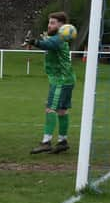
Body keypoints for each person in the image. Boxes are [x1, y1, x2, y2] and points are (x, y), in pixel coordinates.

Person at [25, 12, 76, 154]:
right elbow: (48, 43)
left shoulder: (59, 38)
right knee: (62, 111)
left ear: (62, 26)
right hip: (66, 79)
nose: (49, 25)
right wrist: (37, 42)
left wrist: (35, 42)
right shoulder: (57, 38)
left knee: (50, 109)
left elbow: (49, 44)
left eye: (53, 22)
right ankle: (62, 141)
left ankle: (46, 142)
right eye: (49, 22)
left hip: (61, 80)